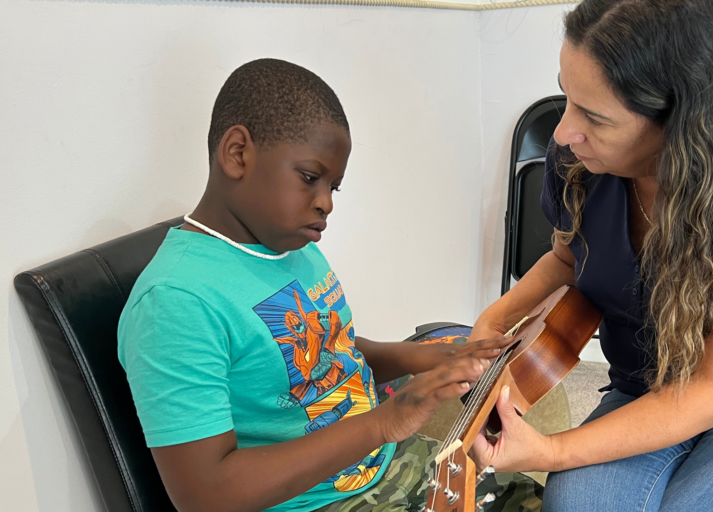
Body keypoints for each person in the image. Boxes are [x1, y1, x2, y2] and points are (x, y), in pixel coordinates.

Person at [468, 1, 713, 510]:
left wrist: (551, 450)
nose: (564, 132)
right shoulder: (579, 158)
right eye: (567, 97)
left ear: (686, 121)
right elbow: (570, 261)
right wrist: (492, 320)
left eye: (593, 115)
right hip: (648, 387)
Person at [117, 58, 542, 512]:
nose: (326, 204)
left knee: (540, 499)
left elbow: (322, 350)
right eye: (309, 178)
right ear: (237, 153)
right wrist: (387, 421)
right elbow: (205, 494)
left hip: (383, 464)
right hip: (315, 502)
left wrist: (422, 357)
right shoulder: (176, 302)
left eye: (334, 187)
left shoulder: (286, 245)